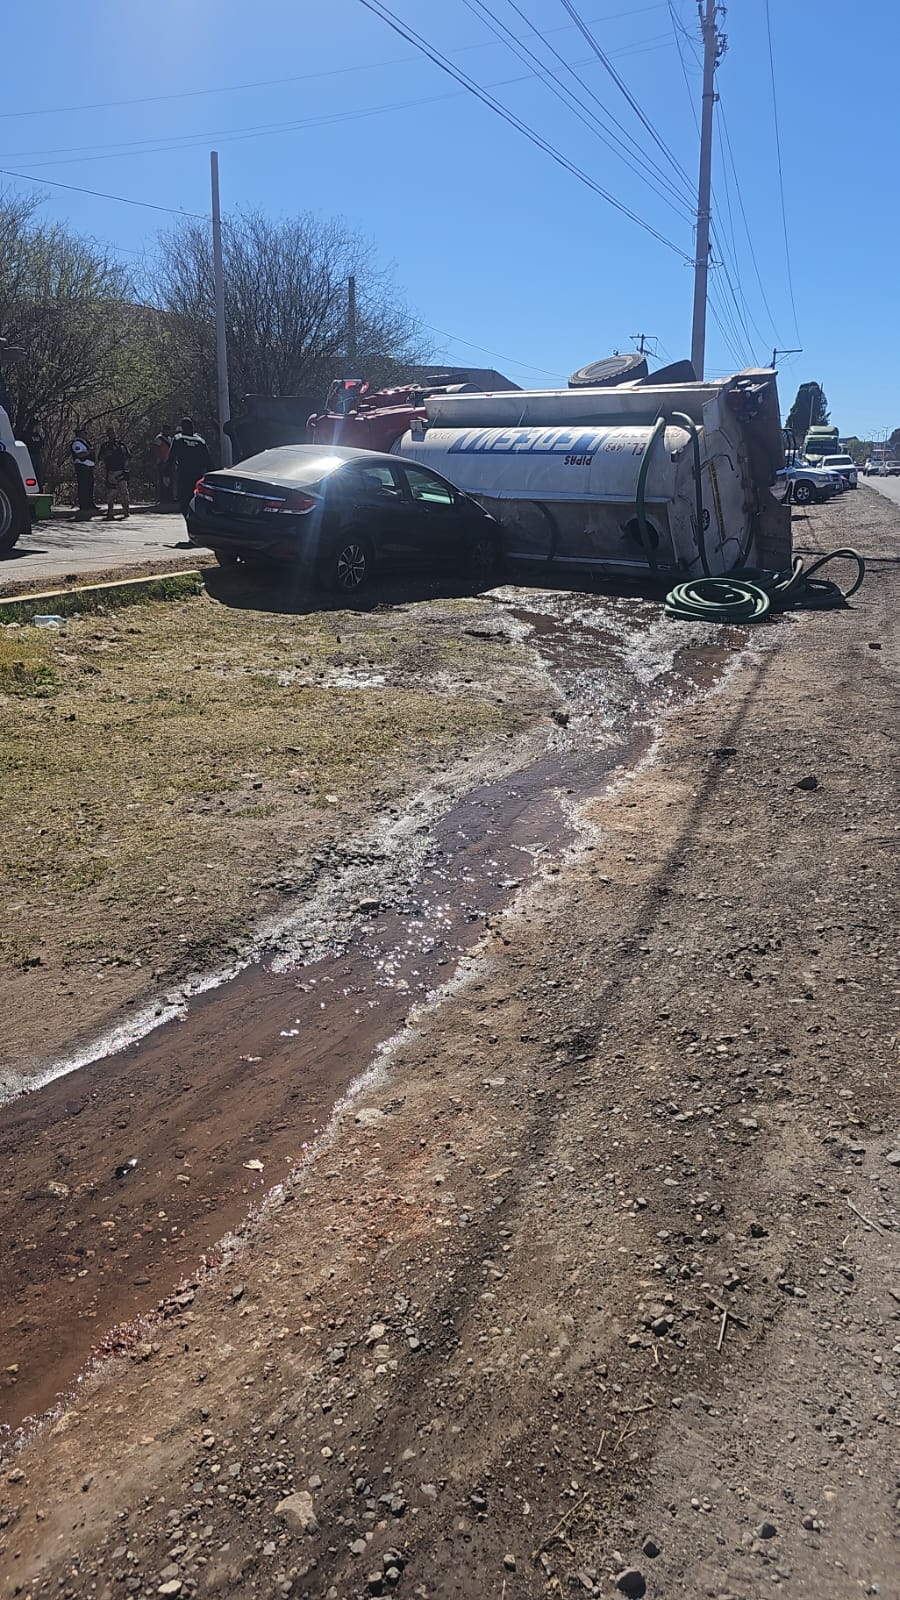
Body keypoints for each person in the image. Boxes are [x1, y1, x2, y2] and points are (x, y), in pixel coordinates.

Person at [168, 417, 212, 518]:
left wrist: (166, 473)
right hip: (197, 474)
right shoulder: (200, 441)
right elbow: (208, 460)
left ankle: (187, 516)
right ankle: (195, 515)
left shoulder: (178, 439)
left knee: (184, 498)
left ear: (182, 428)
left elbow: (171, 457)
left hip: (183, 473)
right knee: (196, 496)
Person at [97, 427, 131, 520]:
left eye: (113, 433)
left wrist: (126, 468)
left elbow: (128, 457)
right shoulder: (105, 446)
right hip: (111, 472)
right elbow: (100, 458)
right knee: (111, 493)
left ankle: (126, 510)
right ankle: (110, 511)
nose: (112, 435)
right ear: (107, 435)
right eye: (109, 433)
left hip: (121, 471)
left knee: (124, 492)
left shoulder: (121, 444)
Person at [70, 429, 97, 517]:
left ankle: (90, 504)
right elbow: (79, 454)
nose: (86, 434)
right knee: (83, 486)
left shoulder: (86, 442)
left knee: (90, 486)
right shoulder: (77, 443)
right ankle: (84, 505)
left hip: (89, 467)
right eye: (84, 433)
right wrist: (89, 452)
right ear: (80, 434)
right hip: (82, 466)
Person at [153, 426, 173, 502]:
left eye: (168, 430)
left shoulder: (170, 439)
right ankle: (162, 498)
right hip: (162, 462)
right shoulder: (159, 438)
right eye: (166, 430)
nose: (167, 431)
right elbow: (155, 448)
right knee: (162, 480)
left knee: (170, 480)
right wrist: (159, 458)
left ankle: (169, 497)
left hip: (169, 462)